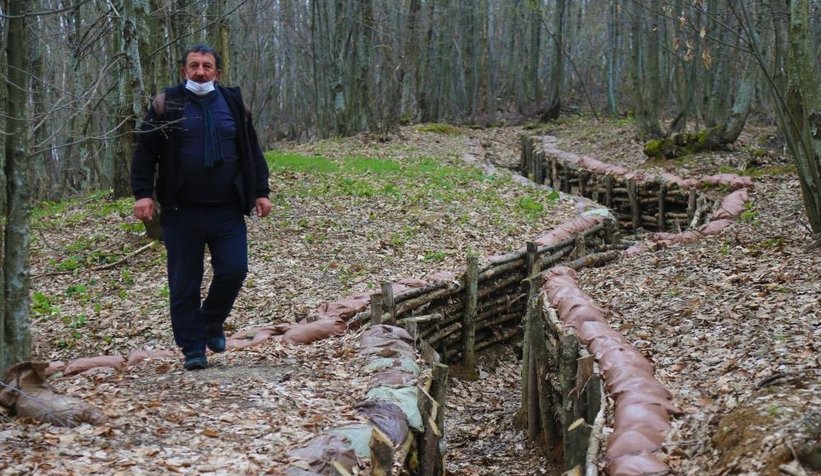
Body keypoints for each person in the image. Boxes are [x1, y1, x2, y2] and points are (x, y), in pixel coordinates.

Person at [131, 44, 272, 371]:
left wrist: (261, 191)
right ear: (184, 70)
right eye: (193, 65)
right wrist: (143, 194)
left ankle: (210, 321)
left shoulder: (233, 104)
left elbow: (252, 152)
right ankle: (193, 347)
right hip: (182, 211)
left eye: (207, 66)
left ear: (217, 72)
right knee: (184, 283)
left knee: (234, 269)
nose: (200, 71)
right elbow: (144, 153)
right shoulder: (166, 104)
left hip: (227, 209)